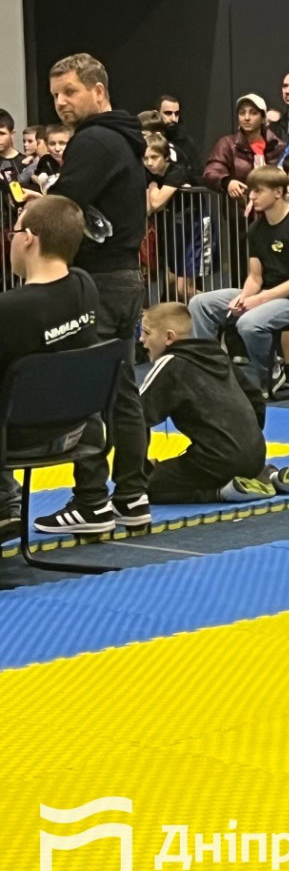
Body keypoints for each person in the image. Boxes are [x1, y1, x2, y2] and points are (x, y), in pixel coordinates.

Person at [29, 56, 152, 537]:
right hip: (124, 275)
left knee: (88, 394)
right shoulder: (125, 138)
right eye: (55, 95)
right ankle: (132, 496)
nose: (61, 103)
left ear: (98, 90)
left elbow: (62, 207)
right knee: (122, 393)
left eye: (70, 92)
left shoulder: (95, 140)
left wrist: (35, 210)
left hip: (97, 280)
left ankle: (91, 501)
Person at [139, 302, 289, 502]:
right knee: (224, 461)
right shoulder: (216, 354)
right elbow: (255, 397)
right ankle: (269, 476)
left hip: (217, 461)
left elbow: (134, 416)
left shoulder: (170, 364)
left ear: (169, 337)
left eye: (146, 333)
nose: (141, 340)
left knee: (141, 485)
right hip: (256, 456)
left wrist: (138, 468)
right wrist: (247, 440)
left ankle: (222, 491)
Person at [0, 197, 102, 538]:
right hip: (76, 428)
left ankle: (5, 502)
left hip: (20, 435)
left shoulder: (10, 310)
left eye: (14, 232)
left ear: (28, 239)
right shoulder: (84, 286)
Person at [188, 165, 289, 390]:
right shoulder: (256, 228)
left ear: (278, 192)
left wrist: (259, 299)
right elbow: (255, 277)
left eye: (258, 191)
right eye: (251, 191)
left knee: (248, 323)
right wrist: (245, 297)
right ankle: (211, 369)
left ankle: (272, 373)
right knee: (200, 303)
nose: (251, 197)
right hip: (265, 293)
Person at [143, 131, 198, 303]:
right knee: (173, 285)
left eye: (154, 157)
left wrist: (152, 186)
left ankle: (214, 306)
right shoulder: (149, 174)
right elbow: (149, 209)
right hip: (173, 231)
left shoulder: (177, 172)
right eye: (145, 158)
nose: (149, 163)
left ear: (166, 157)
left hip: (192, 231)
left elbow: (156, 203)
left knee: (184, 289)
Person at [156, 94, 200, 174]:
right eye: (168, 113)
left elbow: (197, 174)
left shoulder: (187, 143)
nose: (174, 119)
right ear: (157, 114)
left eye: (176, 114)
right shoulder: (147, 138)